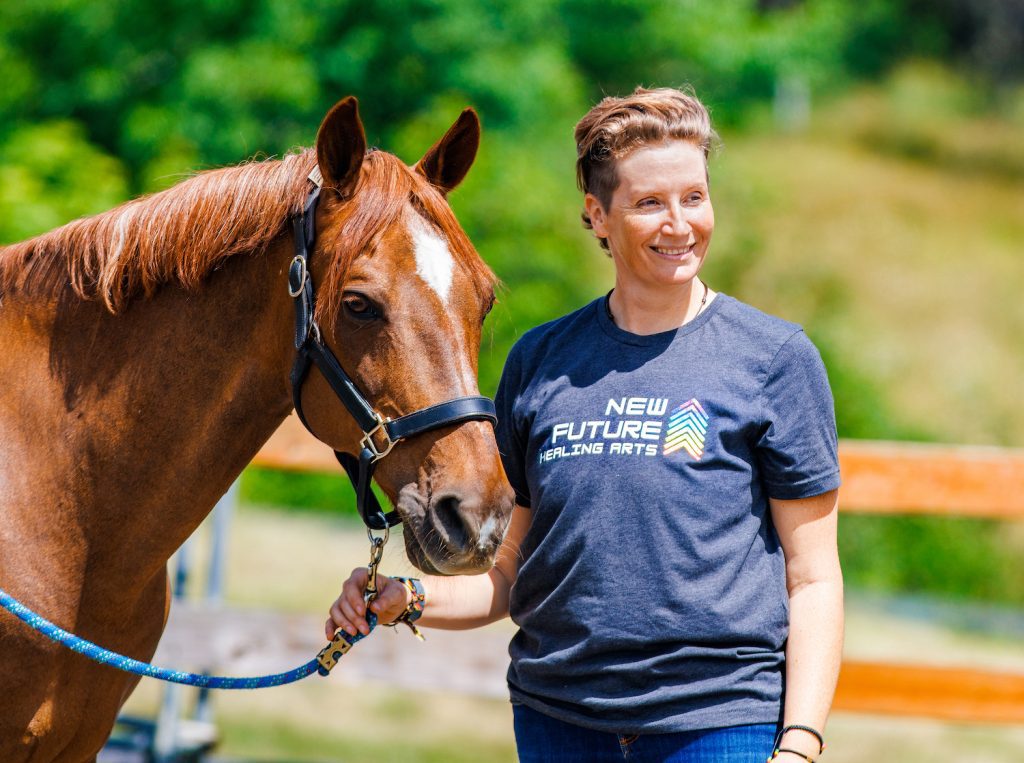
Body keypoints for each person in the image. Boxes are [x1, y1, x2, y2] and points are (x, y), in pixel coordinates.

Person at [327, 87, 843, 763]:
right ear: (598, 216)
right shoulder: (541, 362)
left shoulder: (773, 359)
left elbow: (813, 579)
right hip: (556, 720)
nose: (680, 224)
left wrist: (800, 744)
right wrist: (404, 597)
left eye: (694, 197)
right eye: (650, 203)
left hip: (718, 724)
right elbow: (511, 573)